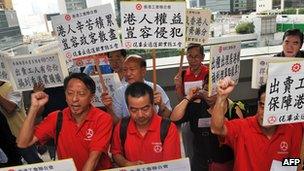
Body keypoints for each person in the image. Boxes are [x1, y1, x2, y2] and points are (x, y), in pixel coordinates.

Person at [17, 73, 113, 171]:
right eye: (70, 93)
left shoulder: (102, 118)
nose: (74, 99)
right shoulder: (56, 117)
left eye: (81, 94)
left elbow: (94, 158)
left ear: (91, 97)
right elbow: (23, 143)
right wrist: (34, 108)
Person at [211, 77, 302, 171]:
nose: (266, 113)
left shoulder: (291, 129)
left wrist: (280, 162)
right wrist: (221, 98)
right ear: (258, 104)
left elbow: (296, 162)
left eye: (273, 107)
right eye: (263, 106)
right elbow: (216, 129)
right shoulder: (242, 127)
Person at [171, 76, 243, 171]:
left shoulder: (233, 109)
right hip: (200, 163)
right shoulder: (196, 106)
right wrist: (189, 97)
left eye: (213, 91)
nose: (209, 95)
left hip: (224, 164)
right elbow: (174, 118)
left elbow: (241, 139)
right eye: (206, 90)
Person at [111, 82, 181, 167]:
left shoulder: (168, 128)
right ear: (128, 108)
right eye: (134, 110)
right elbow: (116, 153)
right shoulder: (122, 127)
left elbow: (172, 165)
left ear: (153, 105)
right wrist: (126, 164)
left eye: (145, 109)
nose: (140, 115)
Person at [101, 55, 172, 124]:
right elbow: (116, 123)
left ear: (143, 71)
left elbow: (167, 116)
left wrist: (161, 104)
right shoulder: (119, 93)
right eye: (125, 70)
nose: (128, 73)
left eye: (132, 69)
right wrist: (109, 108)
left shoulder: (155, 89)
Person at [173, 43, 209, 162]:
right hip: (188, 116)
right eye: (190, 56)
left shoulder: (209, 72)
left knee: (206, 146)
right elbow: (181, 100)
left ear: (202, 57)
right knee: (189, 148)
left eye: (196, 56)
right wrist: (178, 87)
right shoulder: (182, 75)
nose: (193, 60)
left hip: (205, 116)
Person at [0, 81, 42, 164]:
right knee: (12, 163)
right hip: (4, 137)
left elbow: (10, 108)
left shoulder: (12, 86)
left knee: (33, 161)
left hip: (20, 134)